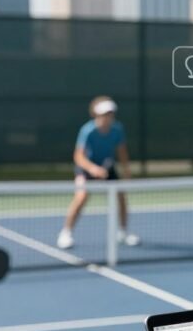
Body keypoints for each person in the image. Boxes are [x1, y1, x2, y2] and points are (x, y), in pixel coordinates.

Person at [57, 96, 140, 250]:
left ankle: (122, 232)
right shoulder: (87, 131)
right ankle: (65, 233)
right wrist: (92, 169)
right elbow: (78, 156)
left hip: (107, 167)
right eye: (104, 114)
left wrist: (126, 170)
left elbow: (121, 151)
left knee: (121, 196)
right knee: (81, 197)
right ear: (96, 114)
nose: (108, 117)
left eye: (110, 113)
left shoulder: (117, 129)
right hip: (86, 168)